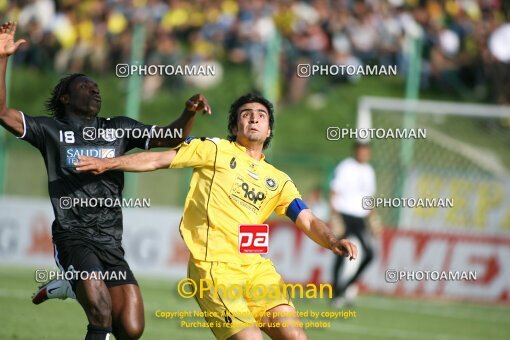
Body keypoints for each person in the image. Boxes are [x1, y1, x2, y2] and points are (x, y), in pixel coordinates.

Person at [75, 92, 358, 340]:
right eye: (246, 115)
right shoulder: (214, 150)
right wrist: (108, 162)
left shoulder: (279, 180)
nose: (254, 119)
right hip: (214, 269)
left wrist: (333, 241)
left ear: (270, 129)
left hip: (257, 270)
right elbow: (159, 159)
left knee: (295, 336)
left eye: (261, 115)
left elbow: (306, 219)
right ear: (235, 126)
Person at [0, 21, 211, 340]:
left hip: (110, 239)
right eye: (85, 87)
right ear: (66, 99)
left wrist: (188, 112)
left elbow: (170, 138)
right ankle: (79, 283)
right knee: (99, 312)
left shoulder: (120, 128)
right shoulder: (50, 130)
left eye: (96, 87)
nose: (94, 89)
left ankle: (72, 286)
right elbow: (1, 112)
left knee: (131, 328)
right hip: (73, 236)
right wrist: (2, 58)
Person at [329, 142, 379, 307]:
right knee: (341, 252)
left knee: (370, 254)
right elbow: (334, 192)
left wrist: (374, 221)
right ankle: (336, 293)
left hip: (360, 218)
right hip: (344, 214)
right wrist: (334, 216)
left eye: (366, 150)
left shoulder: (369, 171)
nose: (363, 153)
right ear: (356, 151)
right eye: (361, 150)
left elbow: (368, 199)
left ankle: (345, 287)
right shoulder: (346, 167)